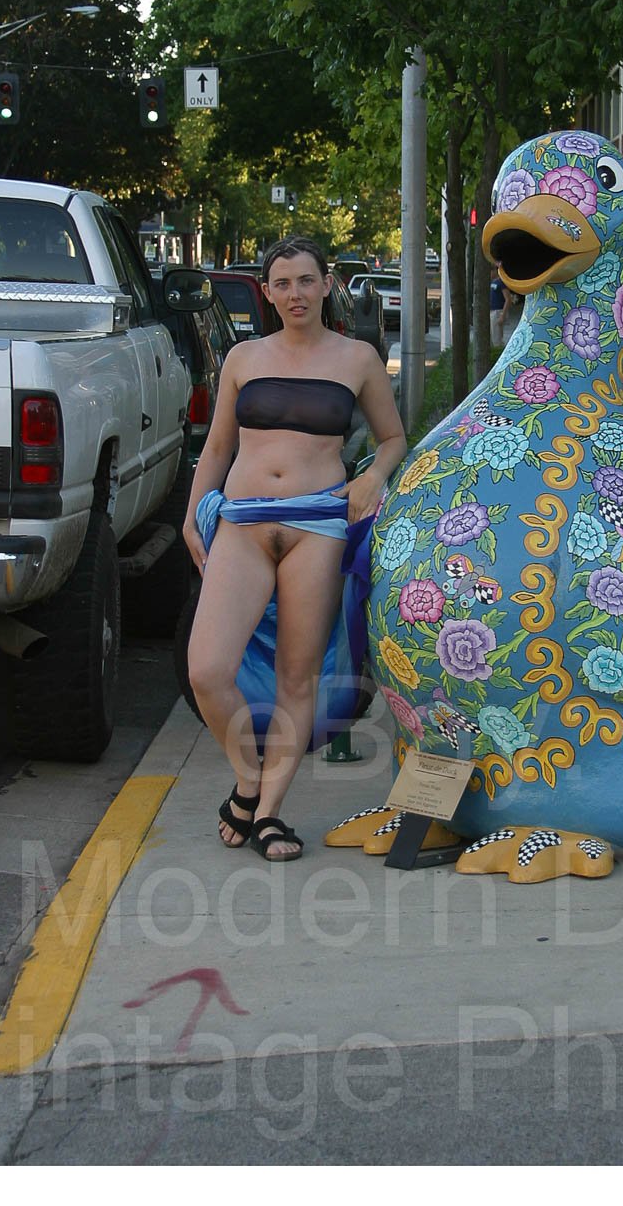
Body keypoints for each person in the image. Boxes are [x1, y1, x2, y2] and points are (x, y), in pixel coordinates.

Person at [183, 236, 407, 862]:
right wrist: (191, 516)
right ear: (267, 291)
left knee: (296, 676)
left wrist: (372, 476)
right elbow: (218, 446)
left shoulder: (358, 358)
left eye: (306, 281)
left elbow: (392, 437)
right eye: (282, 283)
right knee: (206, 670)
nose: (295, 294)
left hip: (319, 526)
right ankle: (248, 780)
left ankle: (270, 814)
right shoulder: (243, 357)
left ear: (327, 285)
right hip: (244, 523)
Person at [490, 266, 513, 345]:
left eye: (491, 271)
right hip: (491, 311)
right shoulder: (492, 282)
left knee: (497, 337)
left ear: (495, 271)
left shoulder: (501, 282)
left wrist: (503, 315)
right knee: (492, 335)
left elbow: (508, 299)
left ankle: (499, 348)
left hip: (498, 311)